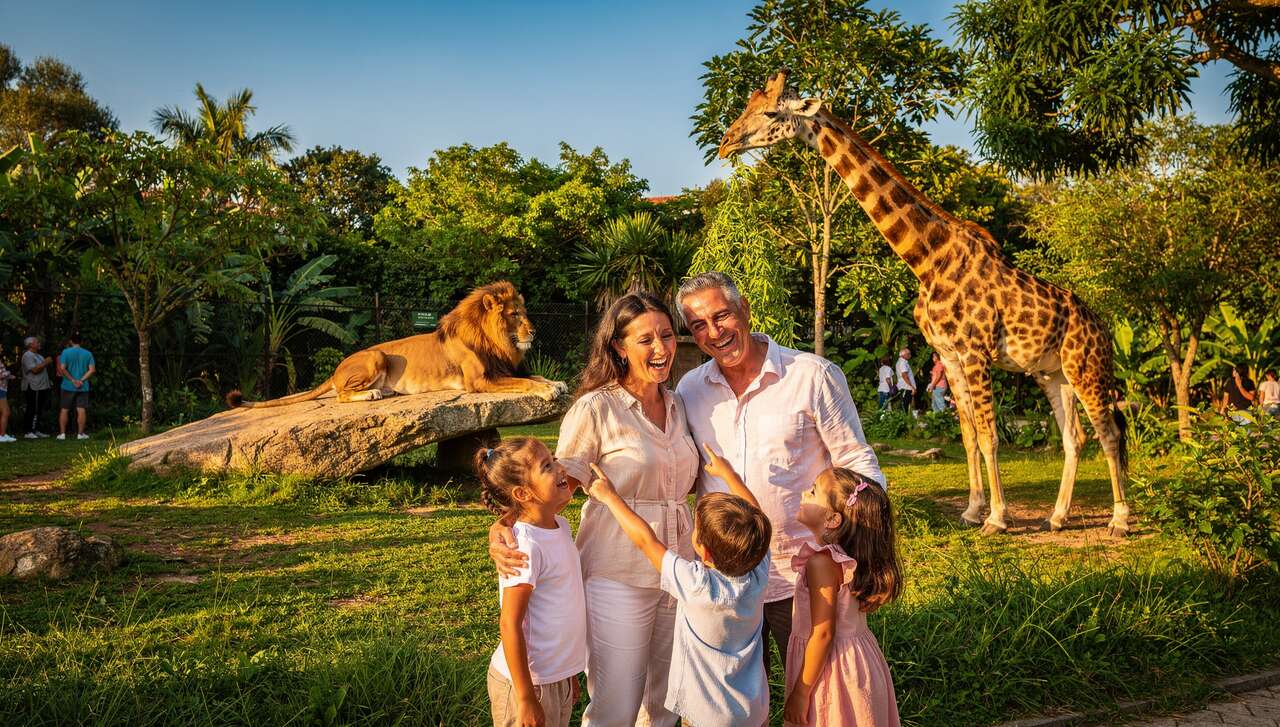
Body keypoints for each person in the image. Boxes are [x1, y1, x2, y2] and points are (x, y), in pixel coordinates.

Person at [489, 292, 698, 726]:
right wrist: (502, 527)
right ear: (620, 347)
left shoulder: (680, 406)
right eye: (646, 340)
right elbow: (548, 484)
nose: (661, 348)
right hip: (616, 574)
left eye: (666, 335)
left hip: (678, 570)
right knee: (615, 707)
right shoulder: (596, 408)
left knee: (666, 705)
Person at [675, 271, 884, 682]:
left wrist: (866, 555)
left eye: (723, 316)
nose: (714, 333)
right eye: (699, 324)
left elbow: (856, 462)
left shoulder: (812, 375)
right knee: (731, 705)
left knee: (815, 698)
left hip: (804, 580)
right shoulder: (689, 389)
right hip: (726, 581)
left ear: (745, 309)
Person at [587, 446, 772, 727]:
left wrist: (612, 497)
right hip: (752, 711)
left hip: (706, 715)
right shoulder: (757, 569)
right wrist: (729, 475)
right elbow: (756, 512)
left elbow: (646, 541)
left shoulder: (698, 585)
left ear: (704, 552)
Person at [476, 437, 586, 727]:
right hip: (528, 684)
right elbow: (510, 624)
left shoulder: (560, 525)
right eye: (547, 466)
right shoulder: (524, 547)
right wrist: (525, 698)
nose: (561, 469)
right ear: (523, 493)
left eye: (554, 459)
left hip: (553, 679)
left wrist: (566, 673)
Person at [782, 468, 902, 727]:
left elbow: (823, 634)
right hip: (858, 663)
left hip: (831, 671)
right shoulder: (848, 555)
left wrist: (801, 693)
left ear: (832, 519)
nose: (804, 492)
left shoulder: (821, 564)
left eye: (813, 491)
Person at [57, 332, 95, 440]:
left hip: (67, 385)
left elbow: (63, 368)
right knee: (81, 409)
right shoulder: (88, 353)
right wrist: (81, 380)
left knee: (64, 409)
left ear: (71, 341)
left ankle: (62, 434)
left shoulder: (65, 352)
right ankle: (80, 434)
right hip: (83, 386)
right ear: (81, 342)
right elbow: (92, 370)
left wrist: (73, 380)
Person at [21, 336, 52, 438]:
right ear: (30, 344)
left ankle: (36, 430)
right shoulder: (27, 356)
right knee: (31, 408)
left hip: (42, 386)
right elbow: (34, 370)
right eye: (37, 342)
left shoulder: (39, 355)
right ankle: (28, 431)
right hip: (33, 386)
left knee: (39, 409)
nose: (39, 343)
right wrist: (45, 362)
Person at [894, 347, 916, 413]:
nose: (910, 355)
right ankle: (904, 419)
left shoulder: (900, 362)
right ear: (903, 355)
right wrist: (911, 387)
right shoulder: (902, 362)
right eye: (908, 354)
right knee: (905, 404)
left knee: (905, 404)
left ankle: (904, 418)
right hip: (906, 387)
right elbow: (904, 375)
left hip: (904, 386)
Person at [0, 353, 14, 443]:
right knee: (5, 412)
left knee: (6, 412)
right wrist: (8, 373)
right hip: (0, 389)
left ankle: (3, 434)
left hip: (3, 389)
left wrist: (8, 376)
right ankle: (1, 435)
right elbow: (1, 375)